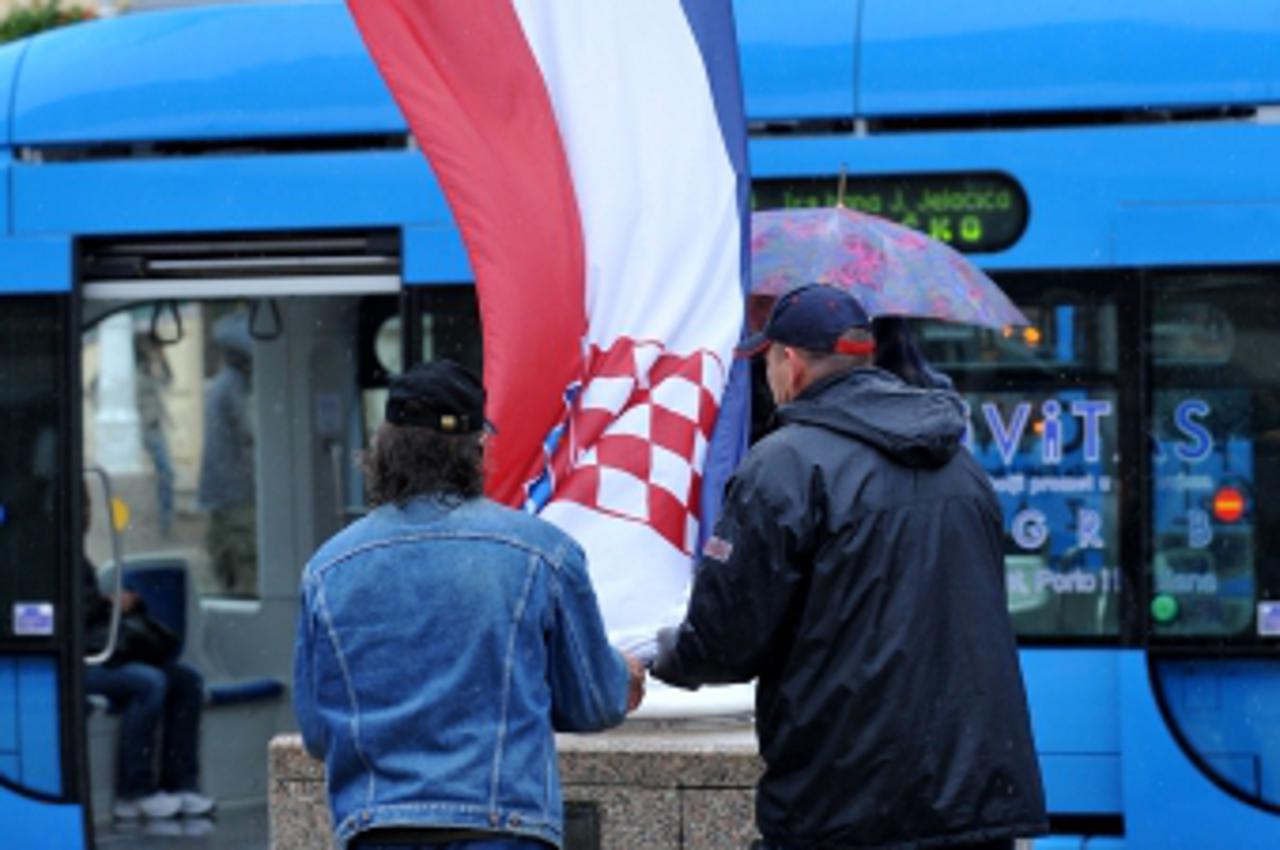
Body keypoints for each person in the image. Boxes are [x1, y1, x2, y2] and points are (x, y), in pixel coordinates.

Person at [652, 284, 1047, 850]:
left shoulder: (783, 466)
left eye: (765, 361)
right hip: (974, 799)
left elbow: (726, 640)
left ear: (789, 363)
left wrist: (664, 657)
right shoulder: (959, 462)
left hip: (847, 802)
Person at [293, 360, 645, 850]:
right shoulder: (543, 552)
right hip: (502, 827)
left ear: (382, 450)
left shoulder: (327, 570)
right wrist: (622, 676)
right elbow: (593, 703)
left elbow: (316, 731)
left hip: (378, 831)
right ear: (476, 449)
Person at [82, 484, 215, 821]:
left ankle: (181, 782)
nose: (84, 513)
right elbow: (68, 617)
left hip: (103, 651)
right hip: (77, 661)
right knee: (149, 683)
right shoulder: (43, 555)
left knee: (186, 681)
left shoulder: (75, 555)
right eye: (79, 505)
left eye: (85, 504)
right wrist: (109, 604)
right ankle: (133, 791)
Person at [198, 313, 256, 595]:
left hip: (220, 491)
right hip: (237, 493)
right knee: (246, 577)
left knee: (228, 570)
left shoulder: (220, 383)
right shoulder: (235, 386)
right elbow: (252, 433)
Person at [135, 333, 175, 537]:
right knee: (166, 472)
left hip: (155, 427)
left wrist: (160, 360)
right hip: (146, 429)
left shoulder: (152, 367)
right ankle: (163, 519)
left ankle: (164, 519)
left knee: (163, 474)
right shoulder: (137, 369)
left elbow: (167, 381)